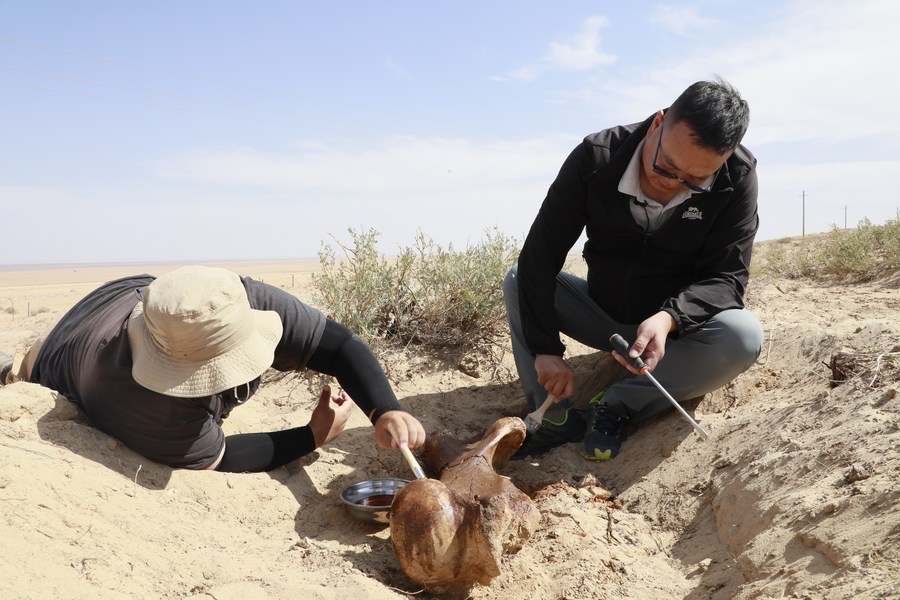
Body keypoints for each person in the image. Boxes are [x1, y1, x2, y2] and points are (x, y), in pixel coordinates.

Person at [504, 78, 764, 461]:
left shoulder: (738, 177)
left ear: (723, 161)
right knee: (517, 279)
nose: (673, 186)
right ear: (658, 124)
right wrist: (545, 348)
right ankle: (553, 417)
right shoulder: (596, 156)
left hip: (672, 334)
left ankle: (615, 404)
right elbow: (540, 257)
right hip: (602, 315)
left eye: (695, 181)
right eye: (667, 166)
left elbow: (728, 279)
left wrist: (669, 318)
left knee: (742, 336)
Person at [0, 265, 426, 472]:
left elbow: (339, 346)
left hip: (128, 293)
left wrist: (385, 409)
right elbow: (220, 456)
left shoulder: (226, 300)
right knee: (22, 370)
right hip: (61, 352)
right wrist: (313, 436)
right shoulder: (141, 400)